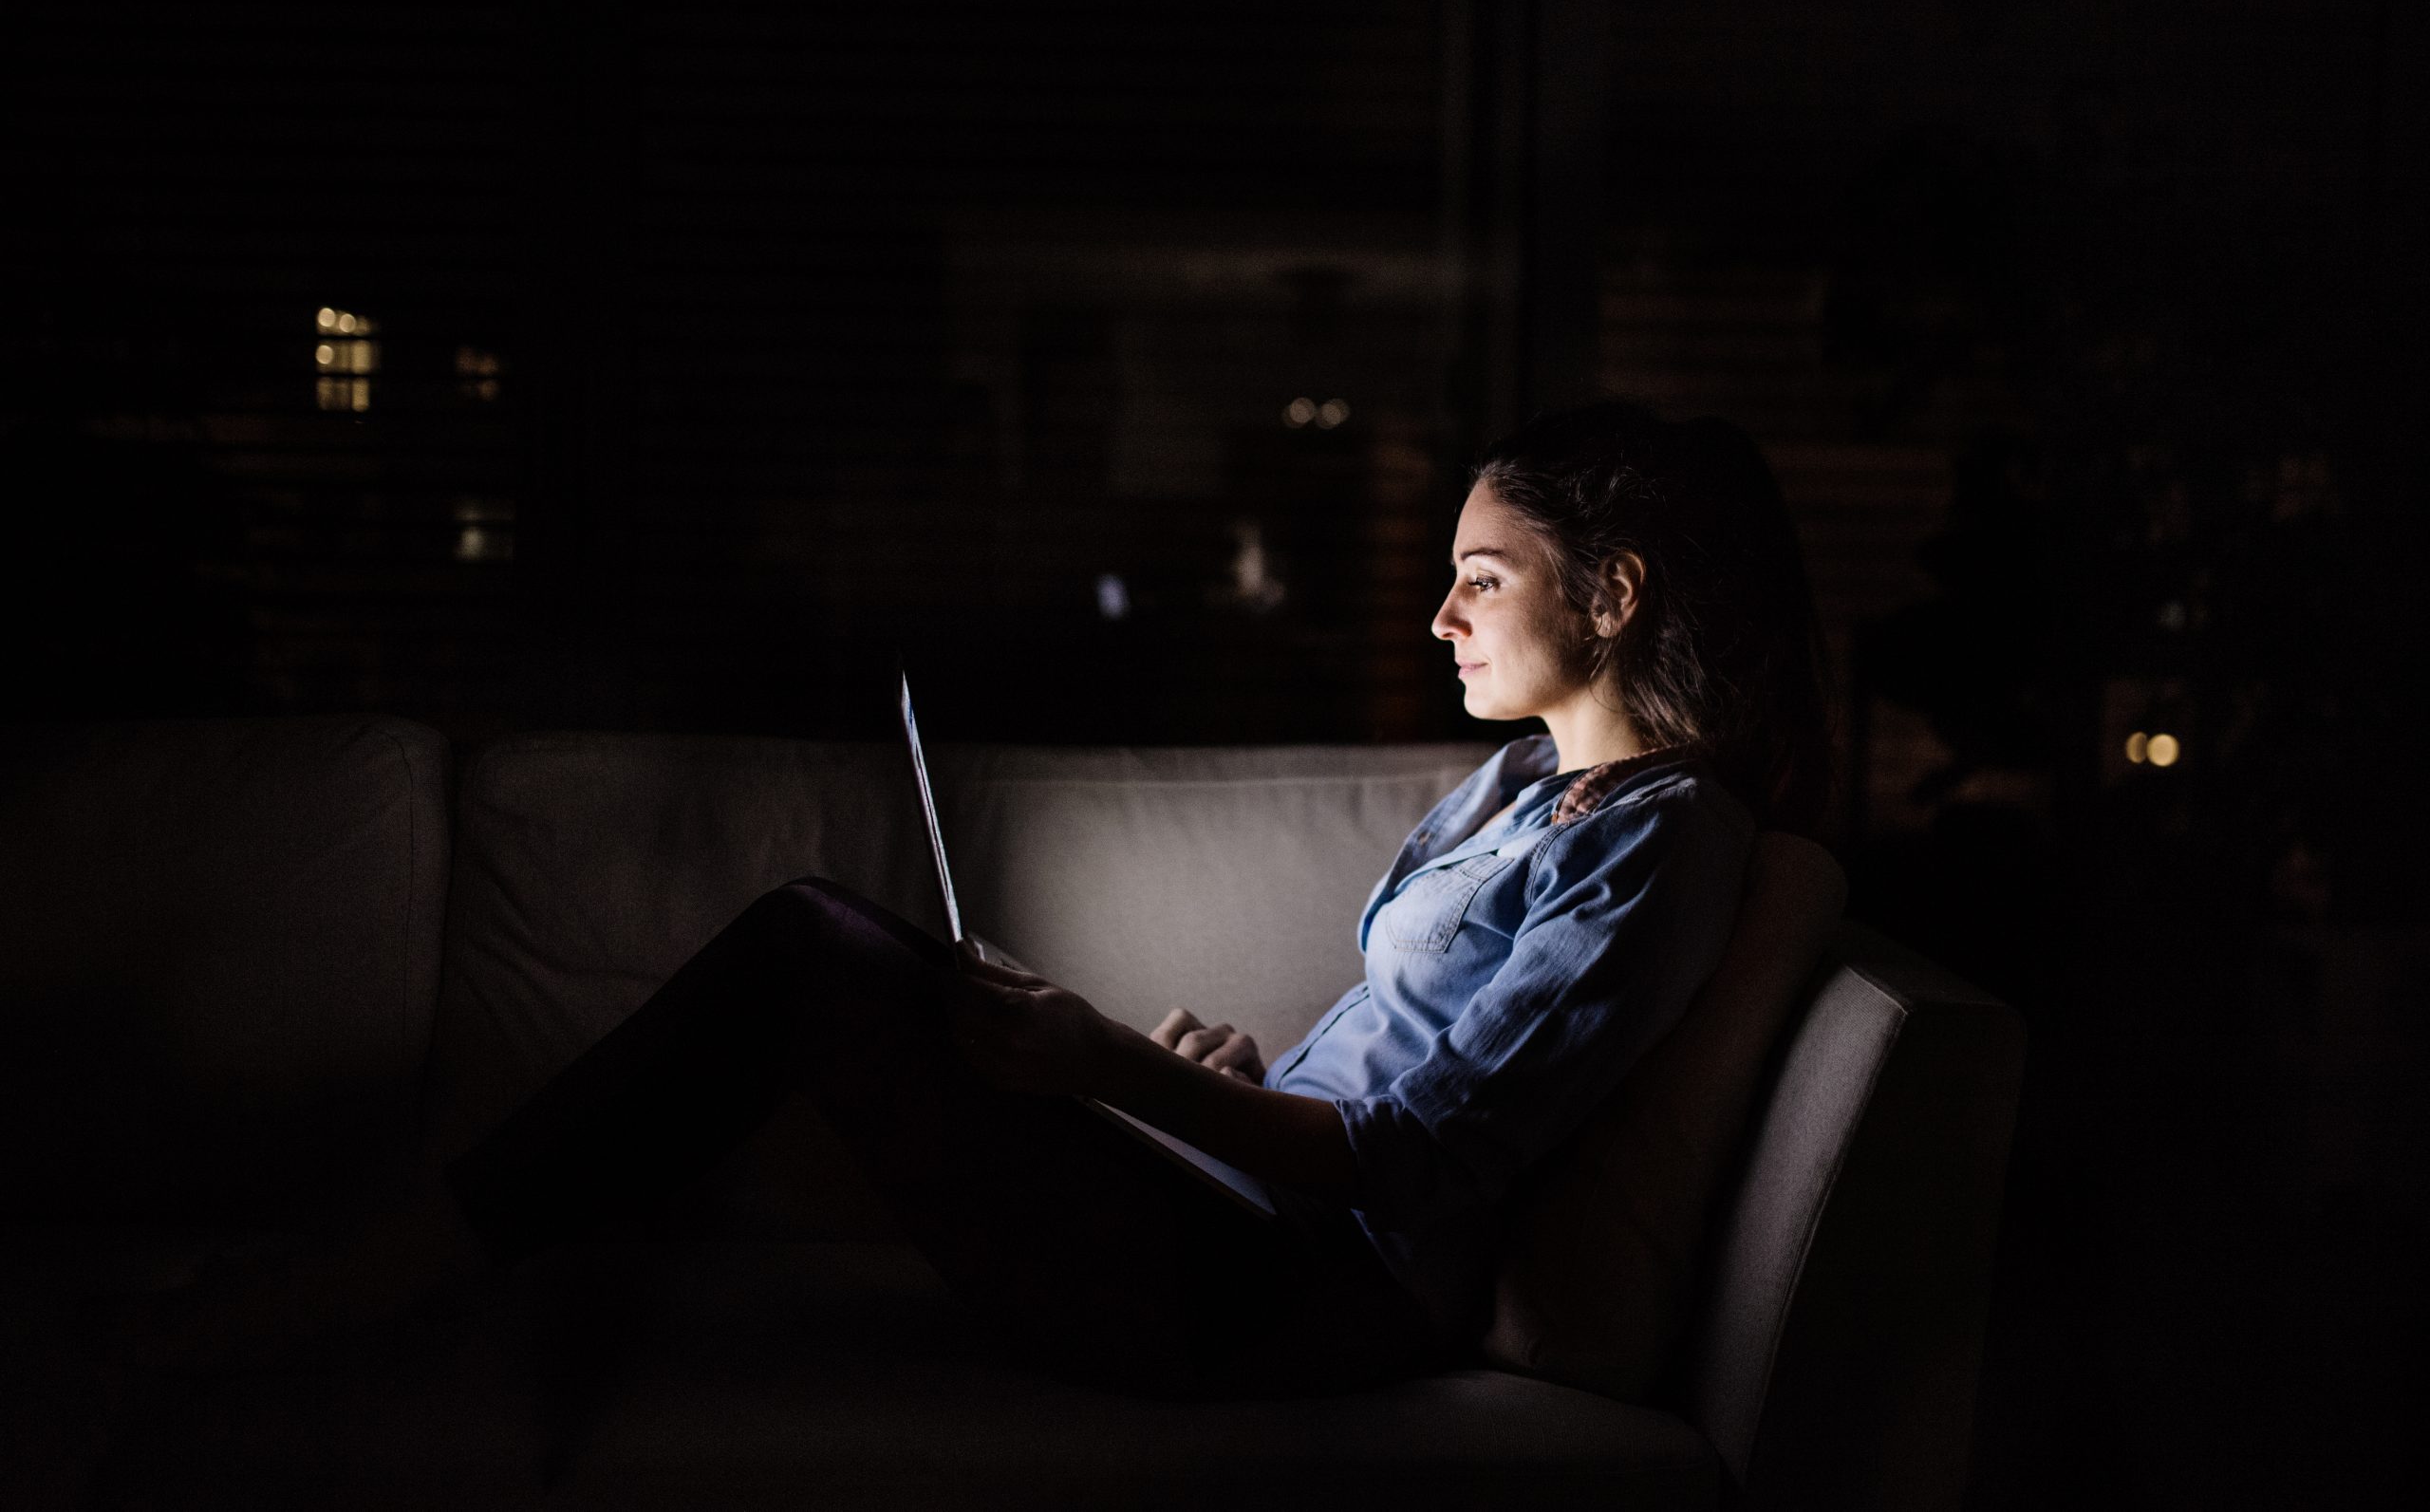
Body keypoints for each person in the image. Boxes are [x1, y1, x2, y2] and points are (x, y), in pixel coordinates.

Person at [121, 400, 1830, 1401]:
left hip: (1317, 1309)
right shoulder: (1525, 789)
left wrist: (1103, 1067)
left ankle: (386, 1271)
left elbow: (1420, 1160)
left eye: (1482, 576)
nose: (1444, 618)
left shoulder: (1662, 845)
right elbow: (1366, 1091)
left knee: (812, 948)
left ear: (1610, 592)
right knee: (839, 962)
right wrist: (1232, 1094)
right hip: (1261, 1217)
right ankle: (444, 1265)